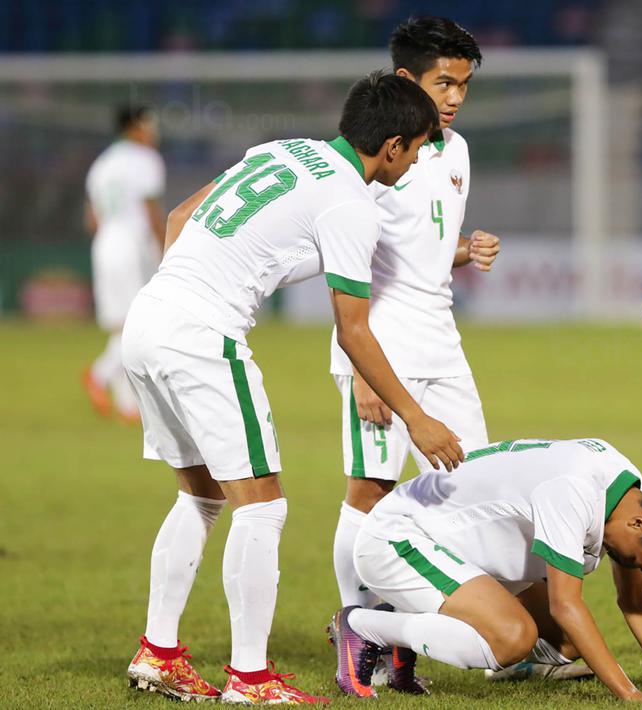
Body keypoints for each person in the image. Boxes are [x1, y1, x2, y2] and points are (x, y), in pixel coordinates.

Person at [122, 71, 463, 704]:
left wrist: (184, 295)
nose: (415, 161)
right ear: (390, 146)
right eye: (415, 149)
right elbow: (355, 332)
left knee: (200, 496)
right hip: (201, 334)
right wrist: (417, 418)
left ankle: (159, 653)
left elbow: (178, 215)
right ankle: (250, 679)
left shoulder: (283, 151)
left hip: (146, 319)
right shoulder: (352, 204)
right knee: (263, 506)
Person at [327, 16, 504, 690]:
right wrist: (354, 373)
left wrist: (465, 250)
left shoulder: (453, 151)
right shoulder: (379, 153)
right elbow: (346, 267)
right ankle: (354, 631)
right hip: (379, 351)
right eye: (443, 82)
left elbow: (417, 254)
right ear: (407, 80)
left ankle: (403, 630)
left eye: (463, 84)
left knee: (471, 486)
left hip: (444, 346)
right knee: (370, 492)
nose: (455, 96)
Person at [326, 437, 642, 703]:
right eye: (634, 560)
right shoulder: (573, 491)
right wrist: (630, 694)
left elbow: (634, 601)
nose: (625, 565)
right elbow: (565, 605)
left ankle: (407, 629)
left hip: (454, 547)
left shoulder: (627, 491)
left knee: (566, 647)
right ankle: (364, 626)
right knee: (514, 638)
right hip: (398, 538)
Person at [83, 104, 164, 422]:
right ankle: (100, 373)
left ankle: (128, 405)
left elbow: (92, 217)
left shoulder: (101, 164)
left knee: (122, 324)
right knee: (139, 326)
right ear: (133, 127)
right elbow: (150, 209)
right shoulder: (145, 159)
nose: (153, 131)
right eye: (149, 124)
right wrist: (162, 249)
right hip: (132, 243)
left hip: (104, 242)